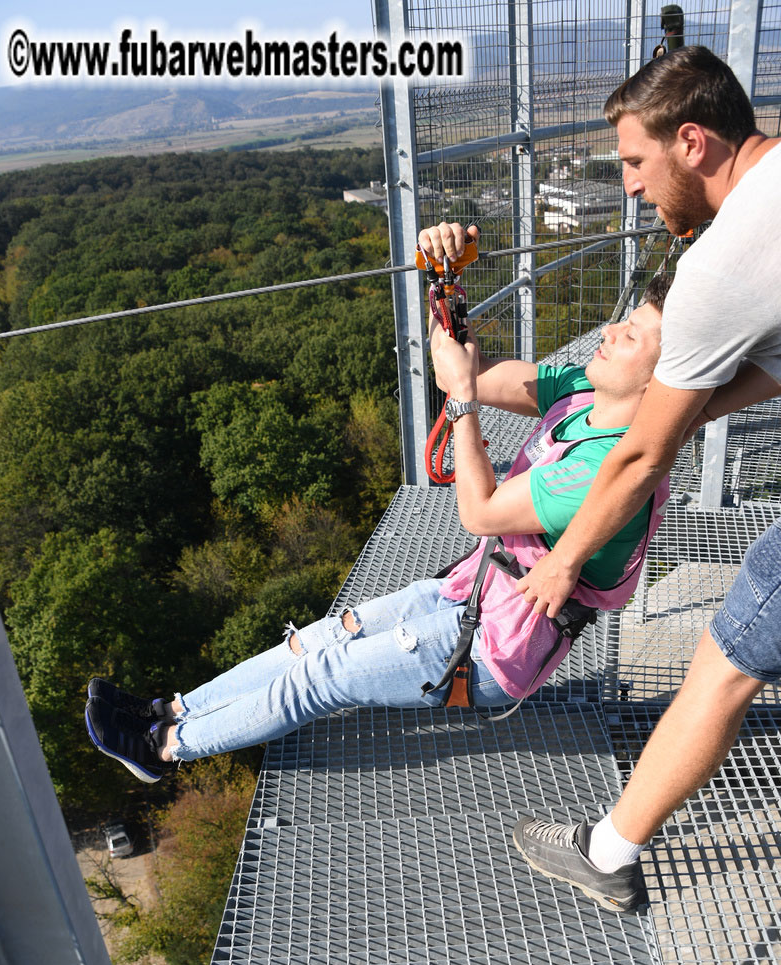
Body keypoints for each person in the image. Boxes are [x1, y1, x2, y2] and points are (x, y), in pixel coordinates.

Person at [85, 264, 669, 823]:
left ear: (668, 374)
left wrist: (463, 402)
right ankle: (172, 709)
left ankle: (165, 747)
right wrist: (446, 287)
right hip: (473, 591)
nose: (611, 330)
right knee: (315, 641)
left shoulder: (603, 467)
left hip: (495, 650)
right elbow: (461, 370)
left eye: (634, 335)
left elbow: (479, 510)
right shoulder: (578, 397)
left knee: (322, 677)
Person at [480, 45, 781, 911]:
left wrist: (565, 560)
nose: (629, 189)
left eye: (635, 162)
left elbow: (641, 458)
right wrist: (680, 409)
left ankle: (608, 852)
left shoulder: (719, 270)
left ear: (692, 141)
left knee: (730, 654)